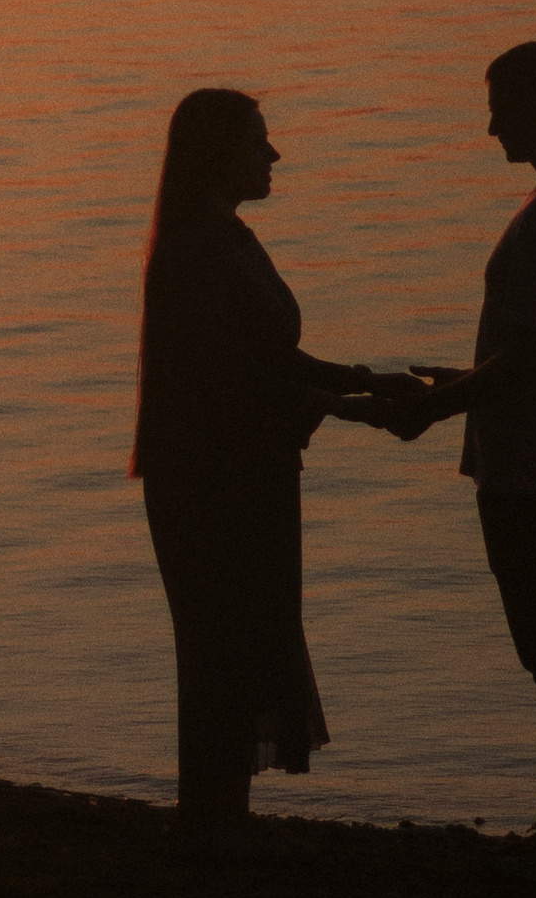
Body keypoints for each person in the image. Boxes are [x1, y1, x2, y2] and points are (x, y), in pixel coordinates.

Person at [374, 41, 536, 877]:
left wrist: (430, 409)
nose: (489, 127)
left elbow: (532, 362)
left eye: (502, 108)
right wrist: (463, 381)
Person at [131, 86, 382, 840]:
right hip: (211, 484)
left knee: (244, 645)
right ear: (218, 156)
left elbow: (267, 358)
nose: (273, 155)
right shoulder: (194, 250)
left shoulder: (227, 239)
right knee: (220, 649)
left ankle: (220, 816)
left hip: (251, 475)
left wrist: (357, 380)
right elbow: (228, 379)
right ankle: (210, 823)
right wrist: (342, 404)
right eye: (257, 141)